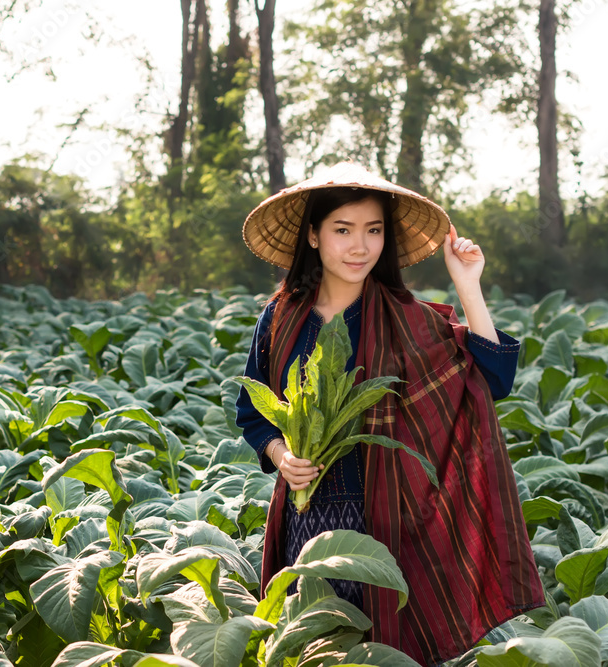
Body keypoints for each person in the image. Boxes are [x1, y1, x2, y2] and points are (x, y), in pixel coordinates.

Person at [235, 162, 544, 666]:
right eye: (343, 230)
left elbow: (490, 379)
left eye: (374, 231)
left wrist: (468, 285)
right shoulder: (281, 316)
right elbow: (253, 411)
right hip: (304, 518)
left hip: (389, 520)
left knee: (380, 653)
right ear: (313, 236)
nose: (360, 246)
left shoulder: (406, 319)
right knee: (308, 648)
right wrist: (281, 451)